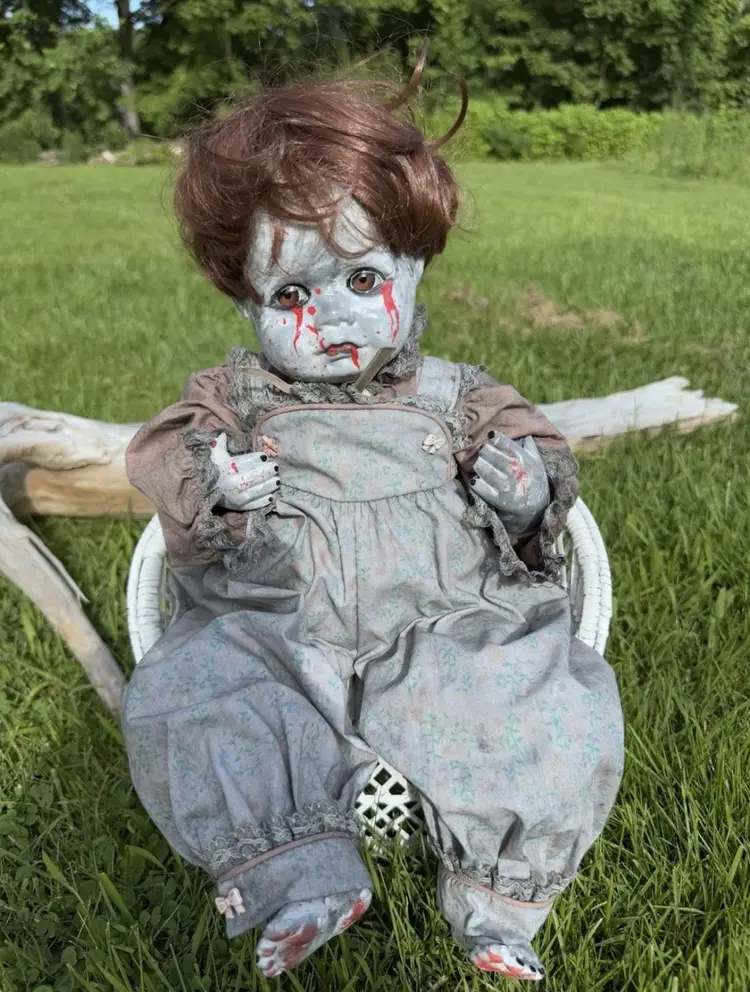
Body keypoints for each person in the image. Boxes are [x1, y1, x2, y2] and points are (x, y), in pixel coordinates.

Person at [122, 51, 624, 981]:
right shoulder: (234, 400)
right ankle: (299, 878)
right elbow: (167, 463)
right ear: (244, 300)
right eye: (291, 296)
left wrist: (522, 491)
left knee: (535, 692)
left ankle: (498, 898)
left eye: (361, 282)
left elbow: (543, 476)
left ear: (415, 263)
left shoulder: (458, 399)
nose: (330, 320)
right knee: (197, 693)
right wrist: (217, 482)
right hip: (280, 624)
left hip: (446, 620)